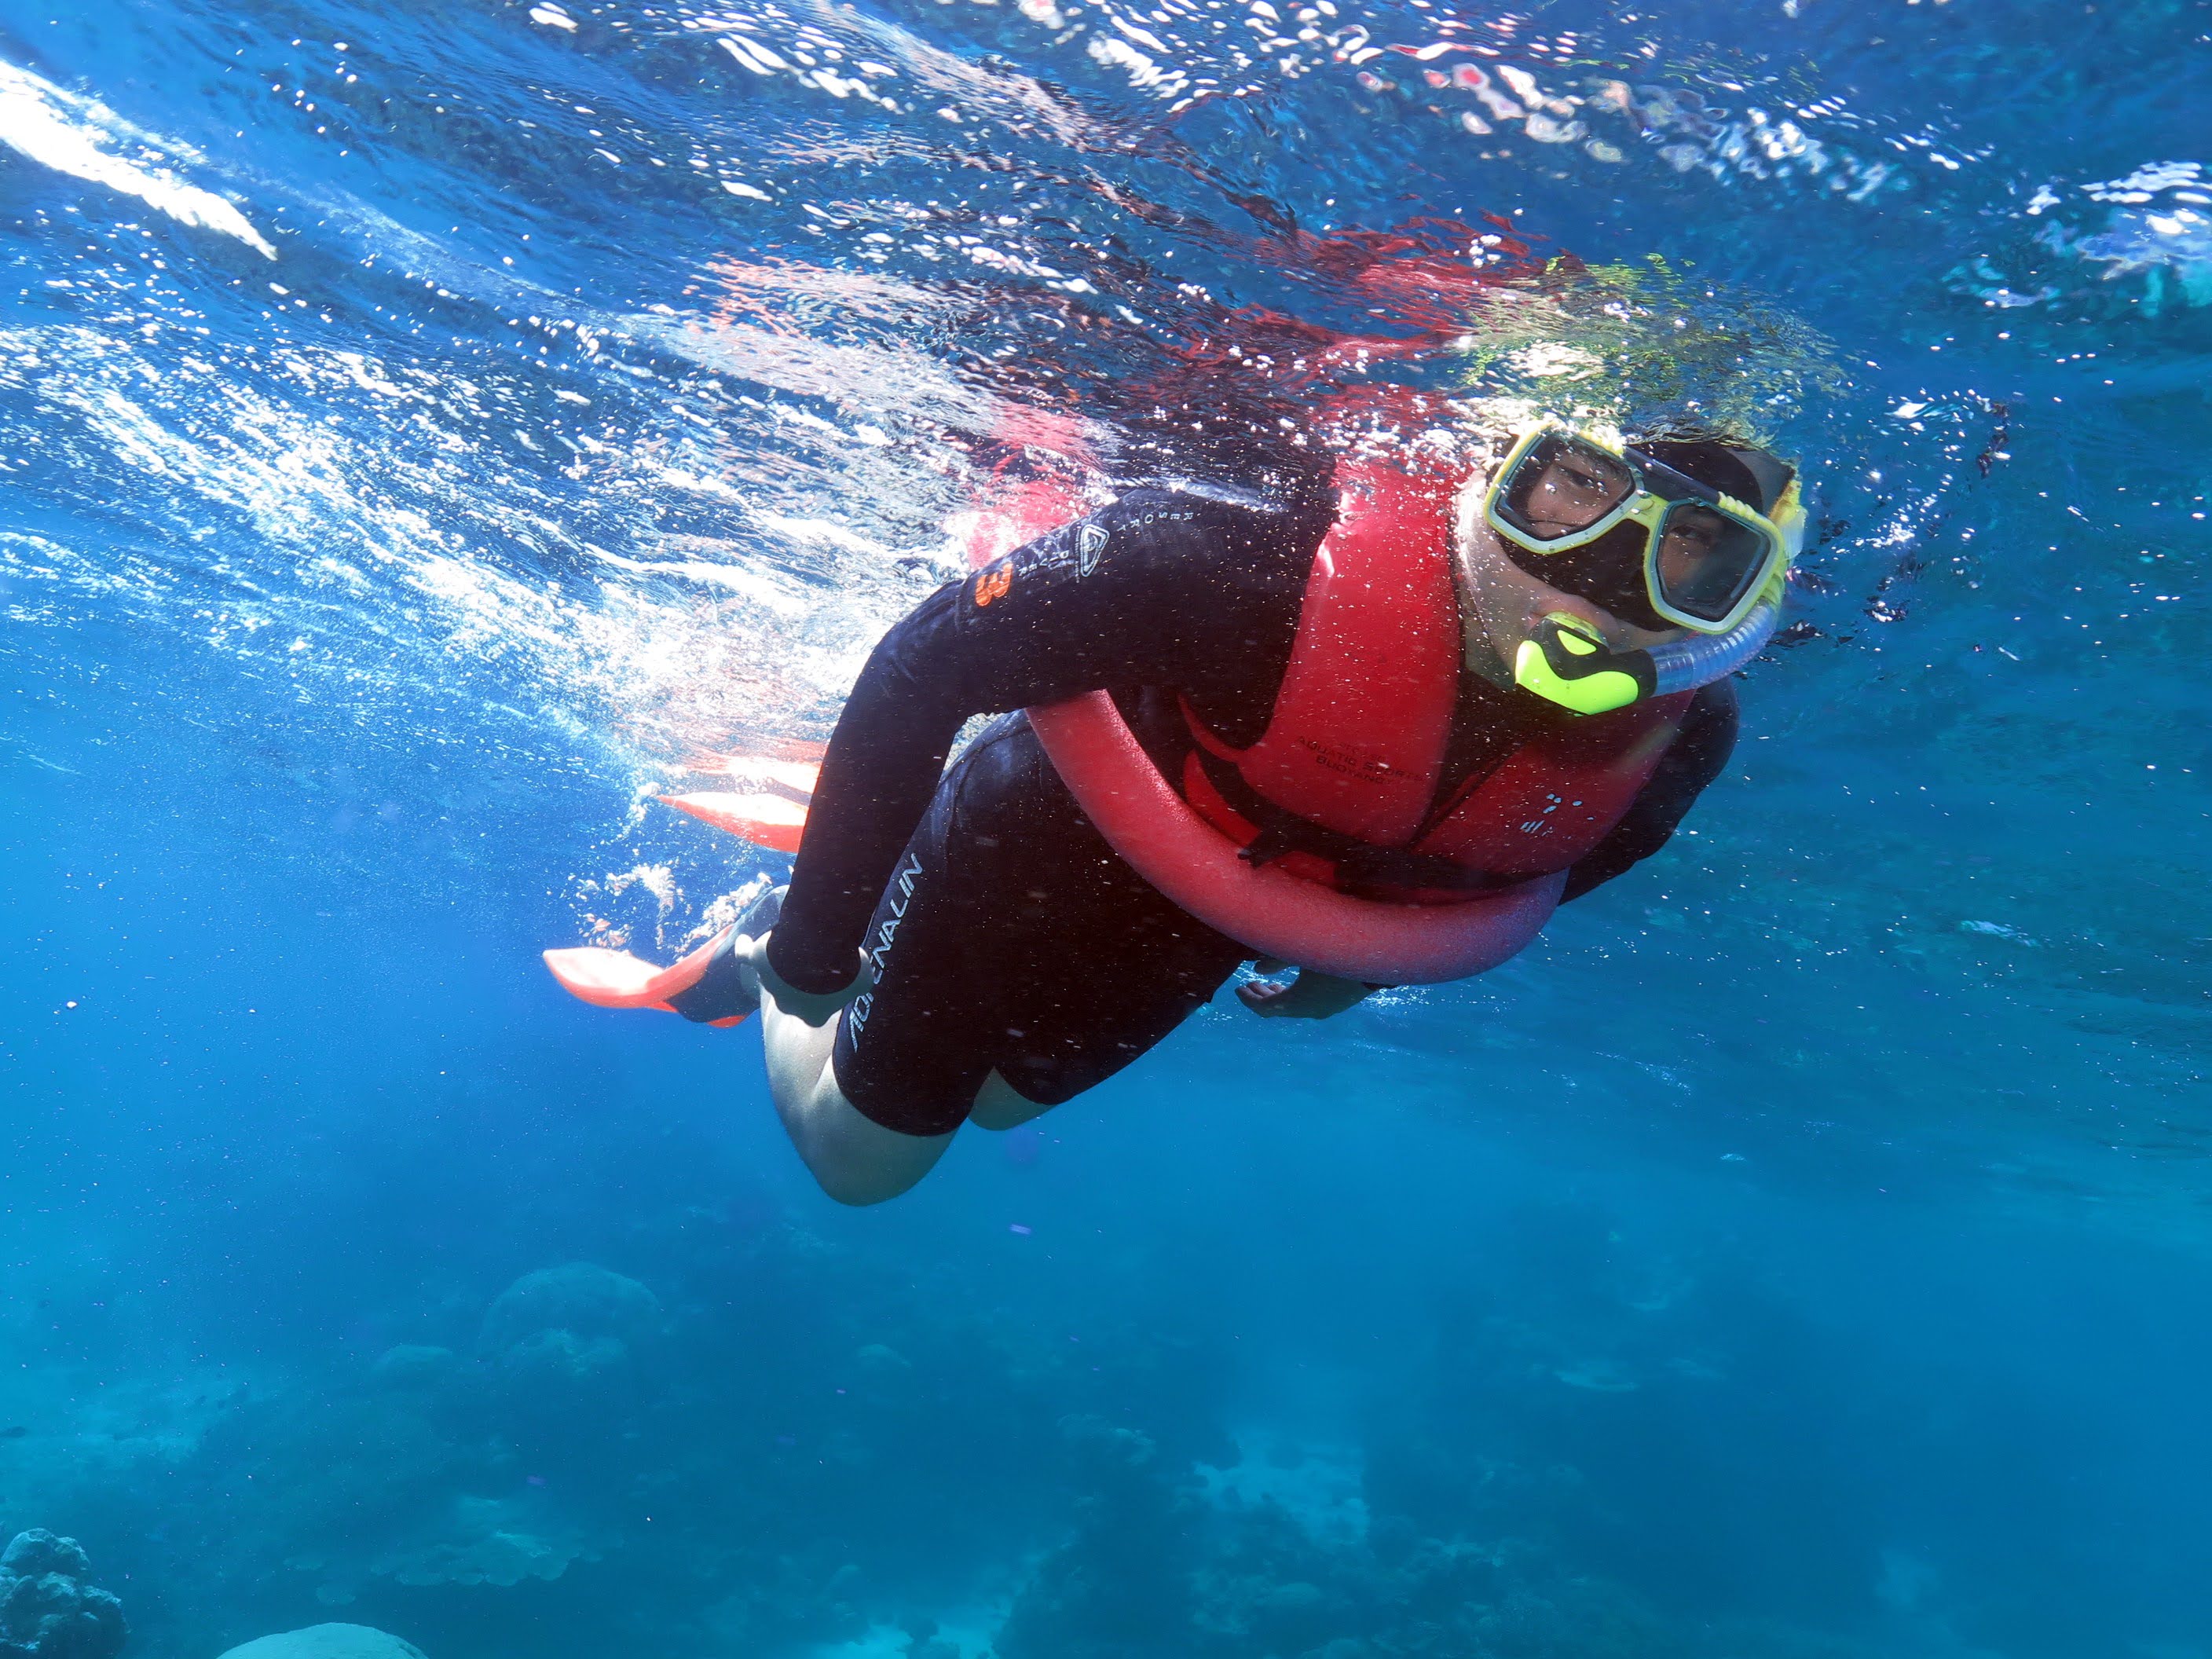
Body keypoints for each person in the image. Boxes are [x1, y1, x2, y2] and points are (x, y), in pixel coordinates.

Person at [547, 415, 1804, 1204]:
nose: (1590, 584)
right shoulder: (1237, 558)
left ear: (1745, 607)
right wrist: (823, 947)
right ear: (1490, 474)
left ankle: (816, 941)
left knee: (996, 1109)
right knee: (867, 1169)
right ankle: (772, 950)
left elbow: (1529, 872)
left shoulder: (1678, 746)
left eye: (1697, 563)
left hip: (1205, 918)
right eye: (1567, 493)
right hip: (1028, 843)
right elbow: (923, 665)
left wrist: (1350, 967)